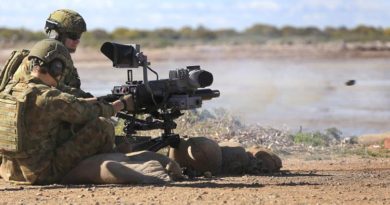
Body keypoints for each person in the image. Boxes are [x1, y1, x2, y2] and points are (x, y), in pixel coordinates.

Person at [0, 39, 133, 185]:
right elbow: (88, 113)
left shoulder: (10, 89)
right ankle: (107, 161)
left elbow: (66, 105)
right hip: (41, 174)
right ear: (56, 67)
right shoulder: (49, 98)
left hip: (10, 172)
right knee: (102, 125)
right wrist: (122, 104)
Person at [11, 9, 91, 97]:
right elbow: (44, 92)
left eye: (79, 36)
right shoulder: (46, 56)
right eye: (73, 36)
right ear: (56, 34)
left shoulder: (61, 58)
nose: (77, 41)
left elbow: (62, 90)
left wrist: (91, 99)